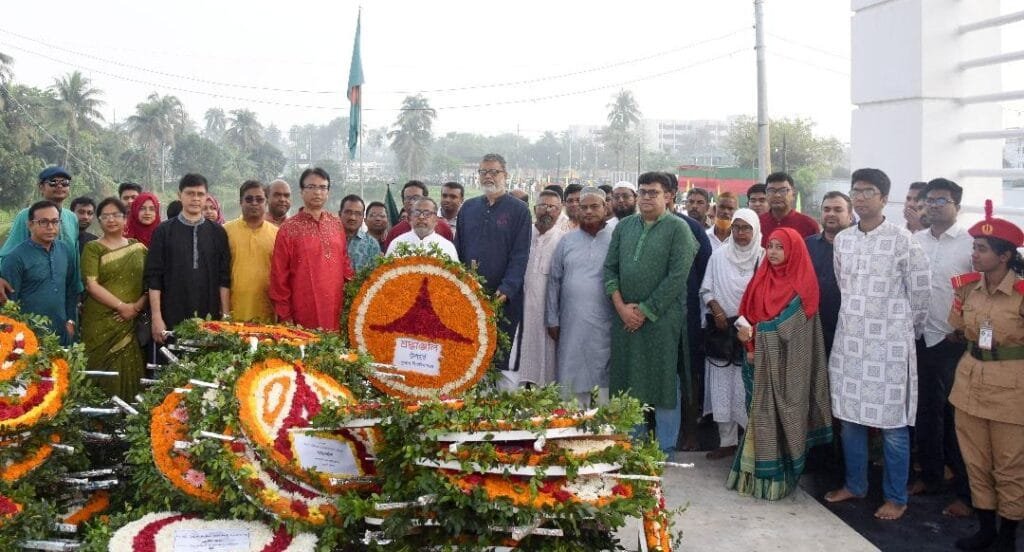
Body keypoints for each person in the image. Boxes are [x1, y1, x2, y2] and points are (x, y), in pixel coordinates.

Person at [825, 168, 930, 521]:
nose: (860, 197)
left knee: (893, 425)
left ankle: (896, 497)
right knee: (850, 419)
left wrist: (900, 330)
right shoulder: (844, 240)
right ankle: (856, 484)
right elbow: (844, 284)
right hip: (850, 342)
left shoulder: (904, 240)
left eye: (869, 191)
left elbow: (920, 296)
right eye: (856, 190)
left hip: (890, 346)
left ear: (884, 198)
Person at [729, 227, 833, 499]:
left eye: (780, 248)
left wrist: (755, 335)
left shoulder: (803, 284)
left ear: (793, 251)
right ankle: (751, 476)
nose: (773, 253)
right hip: (755, 358)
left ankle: (776, 481)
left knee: (778, 417)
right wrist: (749, 342)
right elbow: (746, 311)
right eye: (770, 246)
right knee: (756, 415)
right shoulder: (761, 276)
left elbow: (790, 327)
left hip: (787, 367)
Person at [948, 203, 1024, 551]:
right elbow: (958, 331)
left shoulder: (1021, 295)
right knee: (975, 463)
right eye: (974, 247)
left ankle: (1008, 535)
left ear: (1005, 255)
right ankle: (985, 529)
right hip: (969, 387)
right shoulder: (966, 290)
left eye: (982, 249)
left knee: (1009, 467)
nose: (974, 255)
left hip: (1011, 393)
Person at [604, 172, 697, 450]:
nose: (646, 197)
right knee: (629, 379)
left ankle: (663, 449)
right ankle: (631, 444)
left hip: (661, 321)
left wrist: (644, 311)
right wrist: (621, 307)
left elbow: (677, 276)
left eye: (653, 192)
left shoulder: (678, 229)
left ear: (668, 197)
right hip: (625, 319)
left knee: (664, 383)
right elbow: (610, 269)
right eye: (642, 192)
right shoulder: (624, 227)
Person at [909, 178, 975, 516]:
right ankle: (932, 476)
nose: (934, 205)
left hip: (955, 341)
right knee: (925, 413)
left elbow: (981, 290)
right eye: (929, 200)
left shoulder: (971, 244)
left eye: (942, 200)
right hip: (920, 337)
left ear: (957, 206)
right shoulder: (914, 241)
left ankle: (967, 491)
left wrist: (965, 328)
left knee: (958, 418)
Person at [455, 153, 531, 372]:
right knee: (468, 353)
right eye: (483, 172)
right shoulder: (468, 208)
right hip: (469, 296)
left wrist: (506, 289)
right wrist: (461, 286)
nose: (488, 176)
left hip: (502, 299)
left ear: (505, 175)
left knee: (500, 358)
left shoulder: (519, 211)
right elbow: (458, 250)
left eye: (494, 172)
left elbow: (520, 255)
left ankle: (498, 404)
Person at [700, 209, 763, 461]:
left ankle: (750, 444)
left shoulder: (764, 257)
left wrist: (750, 323)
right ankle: (726, 441)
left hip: (751, 332)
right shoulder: (718, 256)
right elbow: (706, 290)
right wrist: (716, 311)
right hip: (722, 331)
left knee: (745, 386)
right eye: (736, 227)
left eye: (746, 228)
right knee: (722, 386)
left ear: (756, 229)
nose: (740, 233)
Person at [145, 174, 231, 345]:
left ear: (207, 196)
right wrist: (156, 317)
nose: (195, 199)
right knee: (171, 366)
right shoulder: (163, 231)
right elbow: (154, 278)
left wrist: (226, 316)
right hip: (171, 313)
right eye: (190, 193)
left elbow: (224, 277)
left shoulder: (217, 232)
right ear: (180, 195)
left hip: (209, 314)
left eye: (200, 194)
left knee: (209, 365)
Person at [547, 188, 615, 407]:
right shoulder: (567, 241)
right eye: (583, 207)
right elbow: (554, 281)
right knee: (570, 370)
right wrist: (552, 318)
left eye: (594, 206)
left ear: (605, 208)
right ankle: (570, 430)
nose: (588, 211)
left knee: (604, 375)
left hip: (607, 323)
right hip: (570, 323)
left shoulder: (616, 239)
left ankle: (603, 432)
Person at [270, 168, 353, 332]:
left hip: (336, 310)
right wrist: (285, 317)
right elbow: (279, 278)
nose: (318, 192)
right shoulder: (288, 229)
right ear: (301, 191)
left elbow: (345, 265)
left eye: (323, 187)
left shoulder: (336, 224)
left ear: (328, 192)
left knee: (336, 355)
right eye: (312, 187)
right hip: (302, 313)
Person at [664, 173, 713, 452]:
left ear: (671, 194)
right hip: (654, 316)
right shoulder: (637, 226)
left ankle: (690, 432)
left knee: (688, 372)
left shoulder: (690, 228)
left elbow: (706, 269)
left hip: (688, 312)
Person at [81, 198, 147, 397]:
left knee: (129, 363)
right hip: (100, 322)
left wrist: (135, 308)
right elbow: (91, 285)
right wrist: (122, 306)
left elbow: (151, 284)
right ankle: (96, 419)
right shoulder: (93, 248)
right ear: (99, 221)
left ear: (126, 219)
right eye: (105, 216)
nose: (111, 220)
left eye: (116, 215)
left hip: (130, 321)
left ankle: (128, 419)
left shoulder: (139, 248)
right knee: (98, 366)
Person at [0, 201, 81, 345]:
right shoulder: (16, 258)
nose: (50, 227)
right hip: (28, 337)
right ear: (30, 225)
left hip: (62, 333)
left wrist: (70, 321)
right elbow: (8, 305)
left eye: (55, 221)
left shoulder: (64, 251)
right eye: (43, 222)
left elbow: (71, 289)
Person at [512, 190, 567, 389]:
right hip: (519, 312)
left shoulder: (564, 240)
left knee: (546, 364)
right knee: (518, 358)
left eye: (553, 207)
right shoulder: (521, 235)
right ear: (534, 209)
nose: (547, 210)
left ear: (560, 211)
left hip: (547, 315)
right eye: (543, 205)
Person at [0, 167, 80, 303]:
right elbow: (8, 253)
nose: (59, 185)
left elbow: (75, 255)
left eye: (65, 182)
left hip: (64, 291)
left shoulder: (72, 217)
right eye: (53, 182)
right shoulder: (26, 216)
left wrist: (78, 291)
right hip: (33, 291)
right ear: (41, 187)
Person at [805, 191, 854, 357]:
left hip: (850, 330)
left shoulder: (860, 247)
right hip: (814, 328)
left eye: (838, 209)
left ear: (850, 216)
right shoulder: (808, 244)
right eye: (826, 209)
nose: (831, 213)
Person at [223, 181, 278, 322]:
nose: (254, 203)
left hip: (267, 313)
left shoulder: (277, 234)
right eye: (249, 199)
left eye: (259, 199)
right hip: (233, 312)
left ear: (266, 203)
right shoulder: (225, 231)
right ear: (240, 202)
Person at [383, 181, 454, 250]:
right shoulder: (394, 233)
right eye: (407, 198)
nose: (412, 202)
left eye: (416, 198)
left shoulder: (443, 228)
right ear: (403, 202)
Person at [386, 198, 458, 261]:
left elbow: (454, 274)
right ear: (410, 218)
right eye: (417, 213)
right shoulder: (396, 244)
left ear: (436, 220)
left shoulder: (447, 247)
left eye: (427, 213)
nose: (421, 217)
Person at [759, 172, 820, 245]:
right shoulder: (757, 224)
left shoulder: (809, 225)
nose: (777, 195)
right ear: (766, 194)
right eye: (771, 191)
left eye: (783, 190)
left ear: (793, 194)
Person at [339, 195, 381, 272]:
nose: (352, 217)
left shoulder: (371, 244)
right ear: (340, 214)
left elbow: (376, 275)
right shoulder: (329, 239)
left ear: (362, 217)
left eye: (358, 213)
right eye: (348, 212)